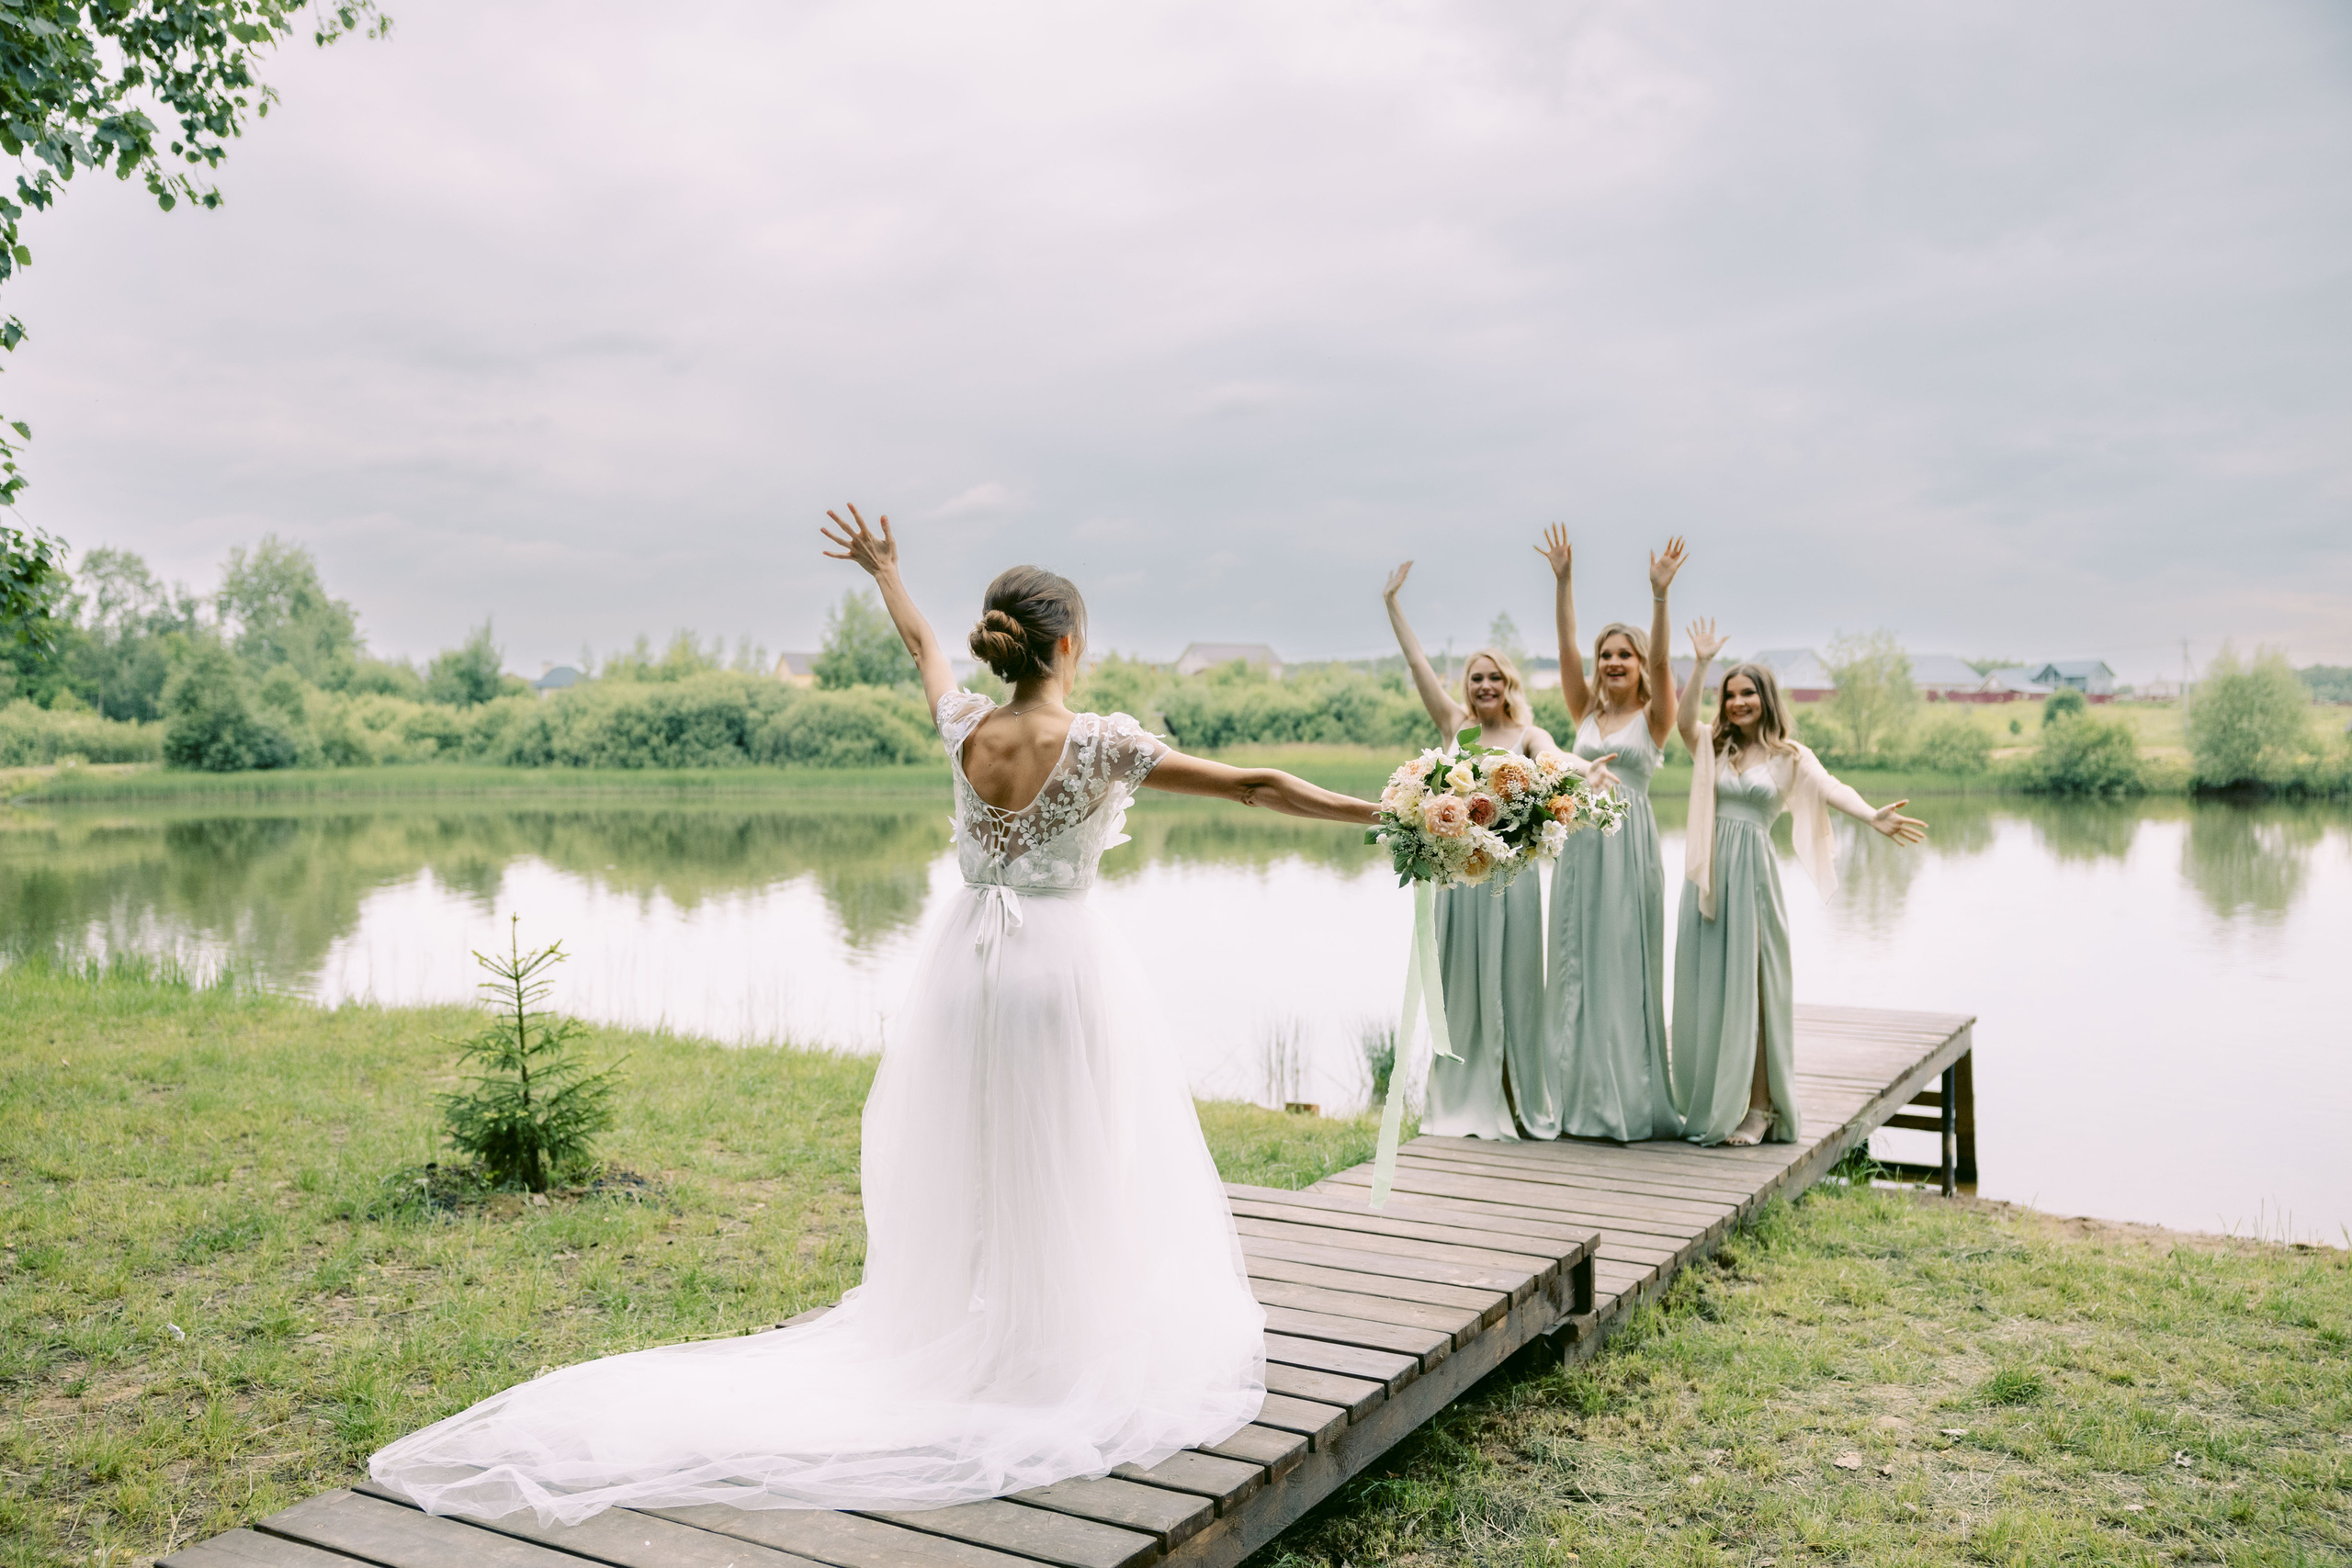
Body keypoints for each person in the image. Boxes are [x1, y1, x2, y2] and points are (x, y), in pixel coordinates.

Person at [370, 506, 1381, 1525]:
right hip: (1061, 973)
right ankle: (1050, 1349)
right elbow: (1255, 787)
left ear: (1007, 642)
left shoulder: (967, 730)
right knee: (1075, 1150)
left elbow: (920, 647)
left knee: (983, 1149)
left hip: (964, 977)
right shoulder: (1103, 744)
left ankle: (988, 1331)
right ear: (1068, 643)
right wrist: (1387, 811)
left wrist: (885, 572)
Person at [1379, 561, 1609, 1140]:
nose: (1485, 686)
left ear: (1509, 687)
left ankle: (1514, 1095)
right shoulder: (1454, 726)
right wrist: (1392, 604)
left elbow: (1559, 759)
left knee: (1516, 985)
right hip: (1460, 879)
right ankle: (1462, 1096)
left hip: (1514, 880)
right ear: (1468, 687)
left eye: (1495, 679)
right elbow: (1417, 666)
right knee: (1461, 987)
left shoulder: (1527, 736)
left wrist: (1590, 771)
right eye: (1477, 678)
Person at [1672, 632, 1926, 1145]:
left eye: (1749, 693)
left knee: (1758, 991)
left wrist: (1869, 814)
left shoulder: (1789, 756)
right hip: (1708, 876)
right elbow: (1680, 722)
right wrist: (1700, 665)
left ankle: (1760, 1110)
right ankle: (1714, 1098)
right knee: (1711, 989)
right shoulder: (1712, 746)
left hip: (1752, 879)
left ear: (1767, 699)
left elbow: (1831, 787)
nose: (1738, 702)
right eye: (1730, 694)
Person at [1535, 527, 1687, 1143]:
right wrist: (1564, 581)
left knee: (1621, 960)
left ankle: (1626, 1095)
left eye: (1624, 655)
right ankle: (1574, 1098)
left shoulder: (1655, 719)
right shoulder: (1586, 713)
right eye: (1608, 656)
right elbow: (1567, 649)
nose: (1615, 663)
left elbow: (1661, 663)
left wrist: (1658, 597)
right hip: (1580, 847)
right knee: (1577, 960)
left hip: (1628, 848)